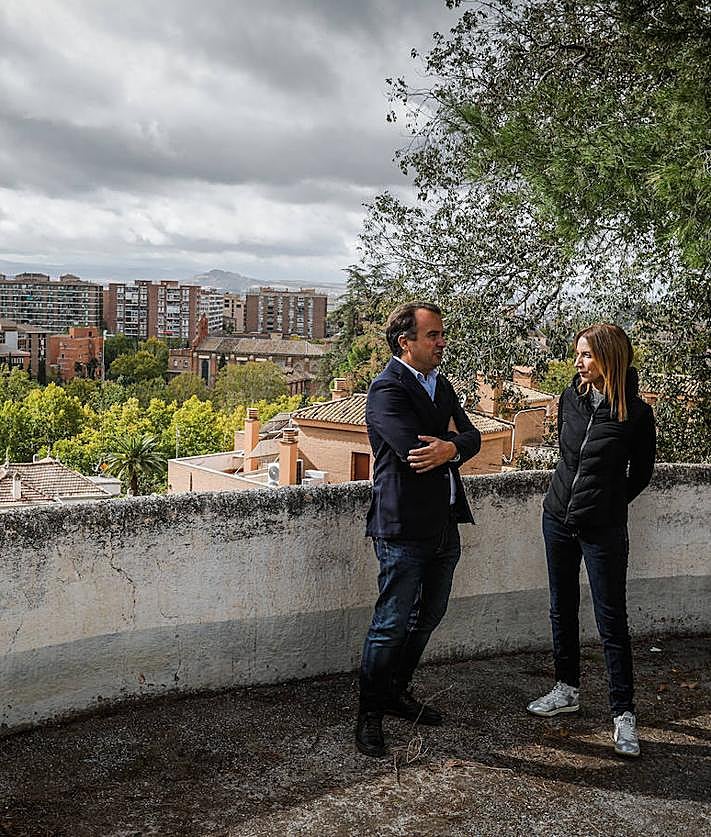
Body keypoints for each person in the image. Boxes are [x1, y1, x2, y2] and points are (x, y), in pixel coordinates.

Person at [356, 301, 481, 757]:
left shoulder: (441, 385)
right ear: (405, 342)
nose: (442, 342)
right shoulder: (386, 390)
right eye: (433, 336)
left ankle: (396, 692)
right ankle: (369, 713)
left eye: (441, 334)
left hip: (445, 525)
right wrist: (451, 443)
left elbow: (472, 437)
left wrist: (450, 446)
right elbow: (414, 451)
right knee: (390, 624)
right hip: (402, 529)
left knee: (428, 617)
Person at [527, 323, 656, 757]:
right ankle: (566, 689)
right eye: (578, 354)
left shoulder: (636, 415)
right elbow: (568, 457)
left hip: (602, 529)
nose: (578, 363)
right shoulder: (570, 399)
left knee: (611, 622)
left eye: (586, 355)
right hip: (557, 519)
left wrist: (605, 503)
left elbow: (639, 474)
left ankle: (624, 716)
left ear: (610, 359)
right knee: (561, 609)